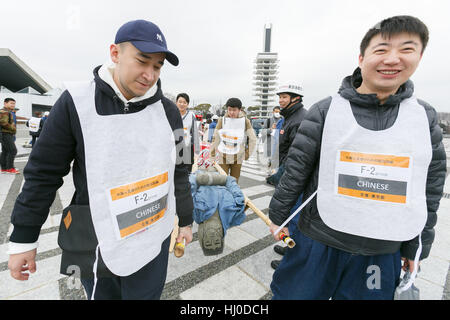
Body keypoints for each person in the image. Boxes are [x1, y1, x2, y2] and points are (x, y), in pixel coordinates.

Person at [7, 19, 194, 300]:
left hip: (153, 236)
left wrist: (187, 219)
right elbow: (43, 173)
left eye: (157, 66)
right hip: (95, 237)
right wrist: (23, 237)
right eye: (142, 61)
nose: (149, 74)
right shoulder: (76, 102)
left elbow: (183, 165)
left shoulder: (170, 111)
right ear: (115, 54)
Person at [269, 15, 446, 300]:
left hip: (381, 250)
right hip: (318, 238)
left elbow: (430, 187)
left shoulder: (423, 118)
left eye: (407, 49)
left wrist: (417, 246)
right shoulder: (326, 110)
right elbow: (295, 171)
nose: (392, 59)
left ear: (420, 56)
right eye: (382, 49)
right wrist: (278, 217)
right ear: (362, 57)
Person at [266, 83, 306, 187]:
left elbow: (297, 153)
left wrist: (280, 174)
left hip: (292, 173)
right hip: (284, 167)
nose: (280, 100)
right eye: (279, 97)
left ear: (295, 98)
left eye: (284, 97)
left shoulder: (299, 119)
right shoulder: (288, 117)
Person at [210, 98, 256, 183]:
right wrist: (212, 154)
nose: (231, 113)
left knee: (234, 182)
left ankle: (233, 196)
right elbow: (215, 137)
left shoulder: (245, 121)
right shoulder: (222, 120)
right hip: (223, 155)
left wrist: (247, 154)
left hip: (238, 156)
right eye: (229, 110)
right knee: (222, 180)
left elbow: (253, 138)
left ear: (239, 110)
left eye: (234, 110)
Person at [176, 92, 199, 172]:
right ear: (176, 102)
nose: (182, 104)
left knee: (187, 171)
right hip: (174, 148)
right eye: (180, 102)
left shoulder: (191, 116)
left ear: (187, 104)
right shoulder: (171, 114)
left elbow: (195, 134)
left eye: (184, 102)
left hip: (187, 148)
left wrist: (196, 151)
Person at [0, 98, 20, 174]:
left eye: (14, 103)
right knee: (13, 150)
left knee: (5, 151)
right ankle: (10, 168)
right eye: (11, 103)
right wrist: (13, 128)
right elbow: (3, 123)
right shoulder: (4, 111)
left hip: (4, 134)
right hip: (6, 133)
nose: (13, 105)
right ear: (5, 103)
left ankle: (4, 168)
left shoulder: (8, 112)